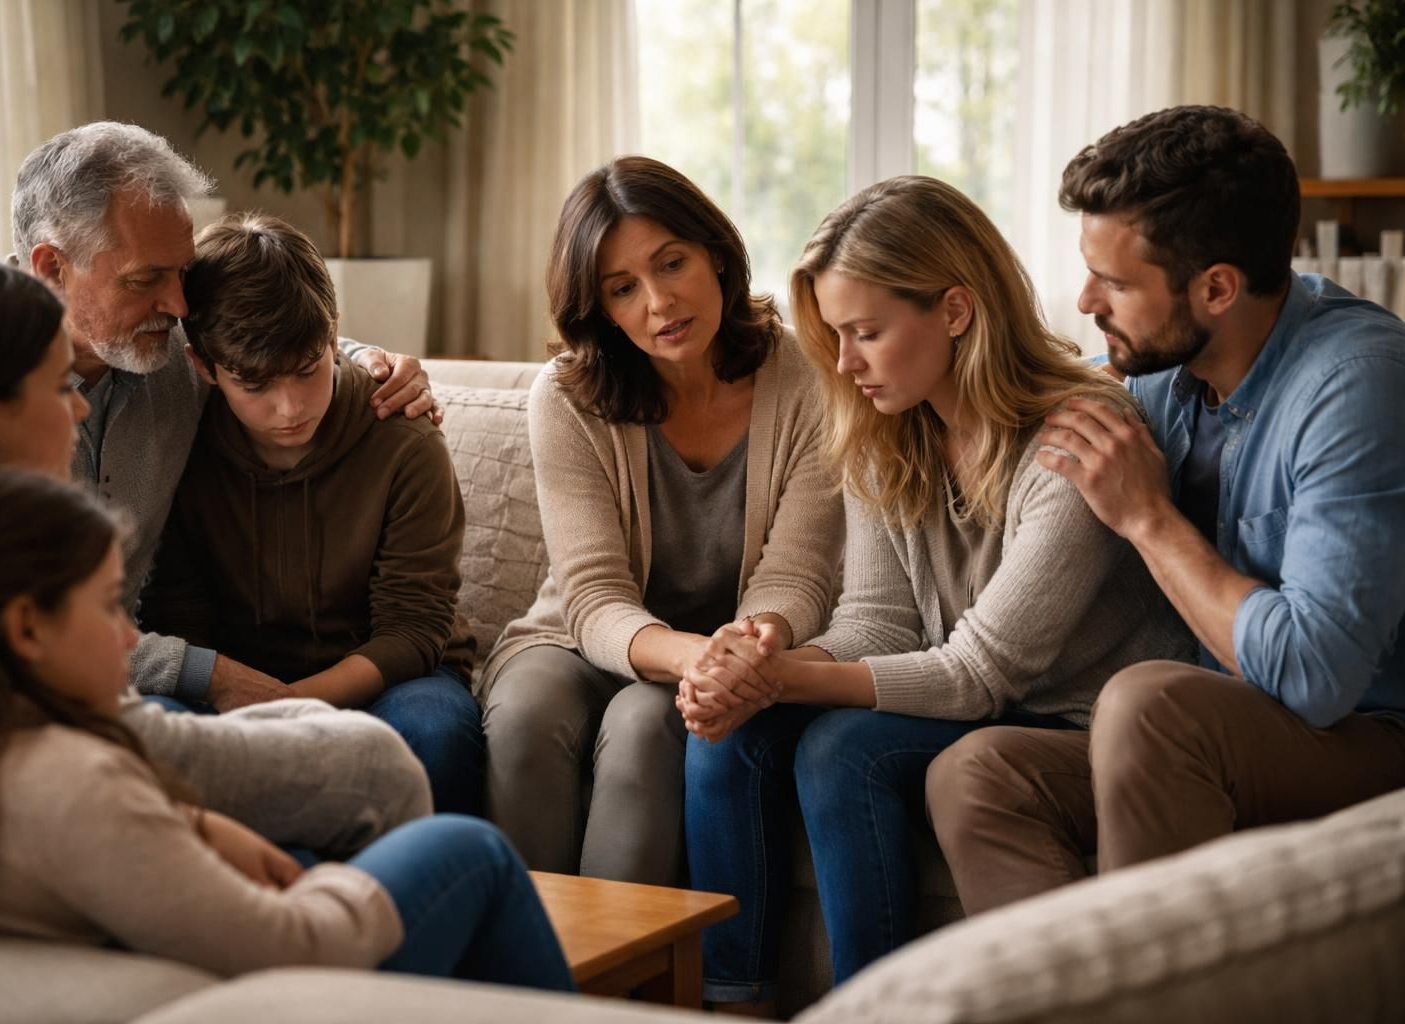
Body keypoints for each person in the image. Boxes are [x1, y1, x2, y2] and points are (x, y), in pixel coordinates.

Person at [679, 175, 1193, 1007]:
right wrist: (759, 655)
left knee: (842, 747)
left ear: (955, 310)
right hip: (981, 697)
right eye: (837, 337)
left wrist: (782, 678)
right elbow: (877, 621)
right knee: (731, 733)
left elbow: (976, 675)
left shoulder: (1079, 435)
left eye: (867, 333)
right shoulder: (888, 425)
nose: (844, 364)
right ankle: (733, 1000)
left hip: (1080, 724)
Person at [925, 105, 1405, 915]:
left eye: (1113, 283)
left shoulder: (1355, 386)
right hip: (1219, 729)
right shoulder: (1160, 366)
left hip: (1367, 733)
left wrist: (1148, 518)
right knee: (978, 772)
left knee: (1150, 704)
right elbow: (1029, 390)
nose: (1083, 302)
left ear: (1216, 287)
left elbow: (1317, 678)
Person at [0, 464, 572, 992]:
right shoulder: (69, 778)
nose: (128, 640)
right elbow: (298, 948)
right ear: (26, 627)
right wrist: (323, 883)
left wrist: (195, 827)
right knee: (467, 848)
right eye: (110, 608)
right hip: (277, 987)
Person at [0, 253, 429, 855]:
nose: (80, 407)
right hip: (52, 866)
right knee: (441, 836)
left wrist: (361, 357)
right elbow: (110, 745)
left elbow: (267, 338)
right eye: (61, 387)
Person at [8, 122, 444, 847]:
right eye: (148, 279)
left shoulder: (169, 353)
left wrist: (373, 362)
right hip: (47, 692)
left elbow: (273, 346)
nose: (180, 306)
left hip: (142, 685)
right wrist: (203, 673)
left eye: (182, 273)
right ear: (53, 267)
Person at [480, 156, 843, 884]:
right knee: (523, 714)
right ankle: (520, 975)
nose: (659, 302)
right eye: (623, 288)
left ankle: (621, 981)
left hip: (730, 652)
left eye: (671, 263)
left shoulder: (807, 375)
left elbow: (799, 571)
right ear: (601, 308)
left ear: (714, 252)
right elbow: (591, 595)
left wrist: (742, 652)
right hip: (580, 641)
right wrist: (696, 657)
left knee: (647, 725)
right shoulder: (567, 396)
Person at [140, 213, 483, 816]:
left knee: (435, 731)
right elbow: (179, 615)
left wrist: (289, 704)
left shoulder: (404, 438)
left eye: (308, 369)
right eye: (255, 385)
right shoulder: (179, 443)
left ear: (334, 336)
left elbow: (413, 630)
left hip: (391, 680)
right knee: (155, 728)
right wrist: (242, 698)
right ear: (203, 368)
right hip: (230, 683)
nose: (290, 407)